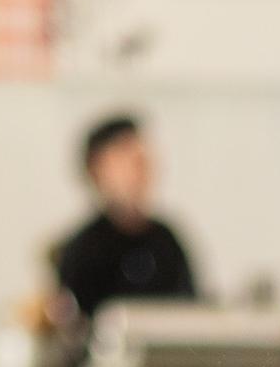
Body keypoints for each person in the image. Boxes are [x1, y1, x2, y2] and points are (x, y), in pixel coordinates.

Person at [52, 113, 199, 330]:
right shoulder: (83, 250)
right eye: (125, 158)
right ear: (97, 169)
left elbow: (192, 312)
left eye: (141, 159)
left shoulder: (166, 241)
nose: (138, 168)